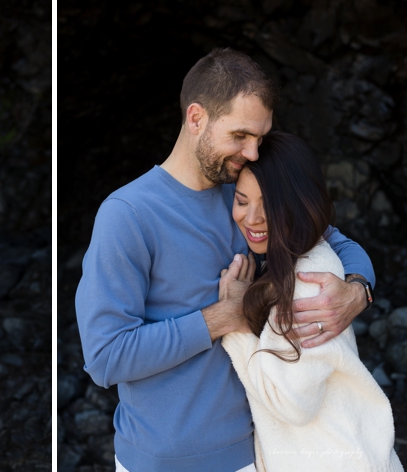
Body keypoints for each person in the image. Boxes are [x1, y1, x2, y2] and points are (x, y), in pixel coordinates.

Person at [74, 49, 375, 472]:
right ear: (196, 118)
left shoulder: (248, 195)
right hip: (159, 462)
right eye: (240, 136)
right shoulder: (127, 215)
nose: (253, 153)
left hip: (257, 455)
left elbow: (336, 242)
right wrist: (223, 317)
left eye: (261, 139)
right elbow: (105, 357)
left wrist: (358, 289)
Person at [217, 132, 402, 472]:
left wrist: (234, 325)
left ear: (297, 204)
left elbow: (291, 404)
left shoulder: (307, 281)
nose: (253, 218)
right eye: (242, 202)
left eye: (269, 205)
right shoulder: (284, 258)